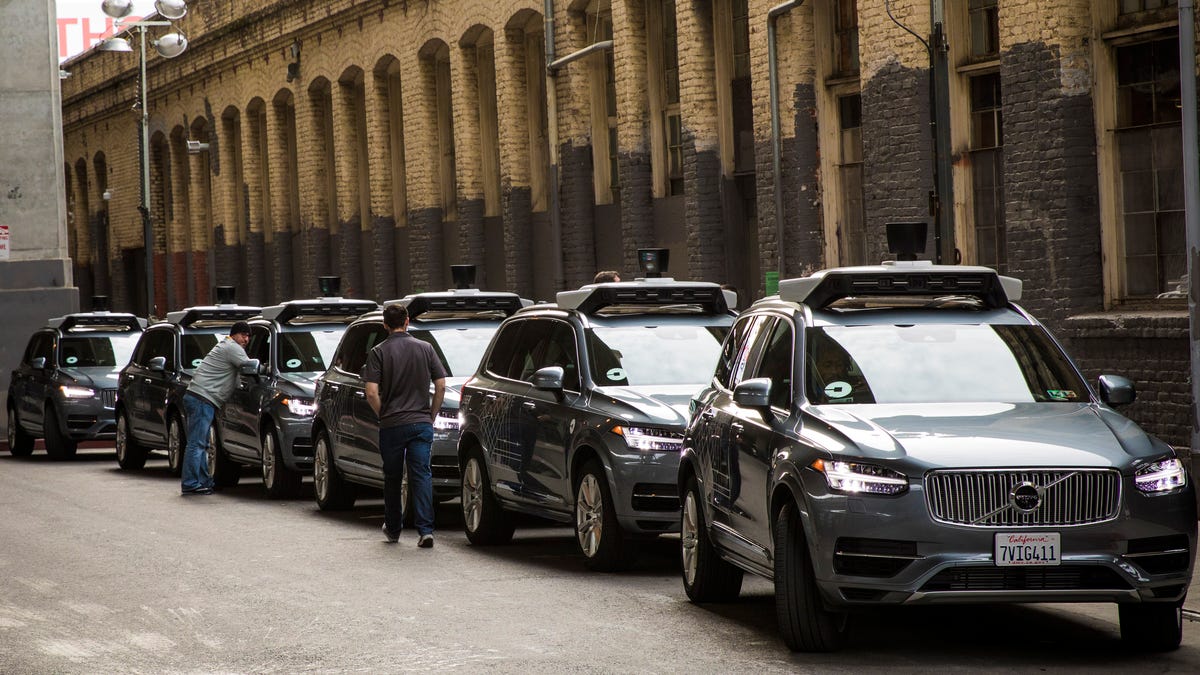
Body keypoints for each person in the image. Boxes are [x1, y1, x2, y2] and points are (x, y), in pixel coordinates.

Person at [365, 304, 447, 548]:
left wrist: (385, 415)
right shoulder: (426, 348)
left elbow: (371, 392)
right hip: (421, 423)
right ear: (408, 321)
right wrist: (431, 415)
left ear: (385, 325)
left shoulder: (378, 352)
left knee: (392, 477)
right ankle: (425, 530)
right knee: (421, 474)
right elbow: (441, 385)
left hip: (392, 425)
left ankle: (393, 528)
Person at [181, 321, 256, 495]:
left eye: (248, 336)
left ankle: (204, 482)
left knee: (202, 443)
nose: (246, 339)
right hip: (202, 398)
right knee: (197, 444)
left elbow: (235, 377)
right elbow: (249, 366)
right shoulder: (232, 348)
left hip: (198, 396)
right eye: (243, 335)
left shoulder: (226, 346)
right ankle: (191, 483)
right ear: (234, 334)